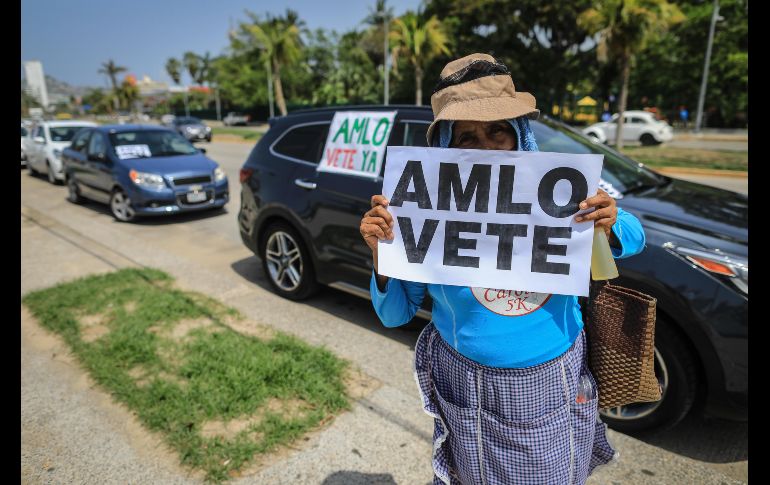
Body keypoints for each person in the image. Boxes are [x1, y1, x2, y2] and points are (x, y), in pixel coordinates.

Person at [358, 53, 646, 485]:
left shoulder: (563, 189)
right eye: (467, 138)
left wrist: (610, 220)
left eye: (498, 133)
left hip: (551, 378)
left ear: (519, 134)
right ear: (445, 147)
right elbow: (394, 313)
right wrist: (381, 251)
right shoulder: (423, 211)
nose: (487, 148)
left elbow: (635, 237)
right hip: (461, 379)